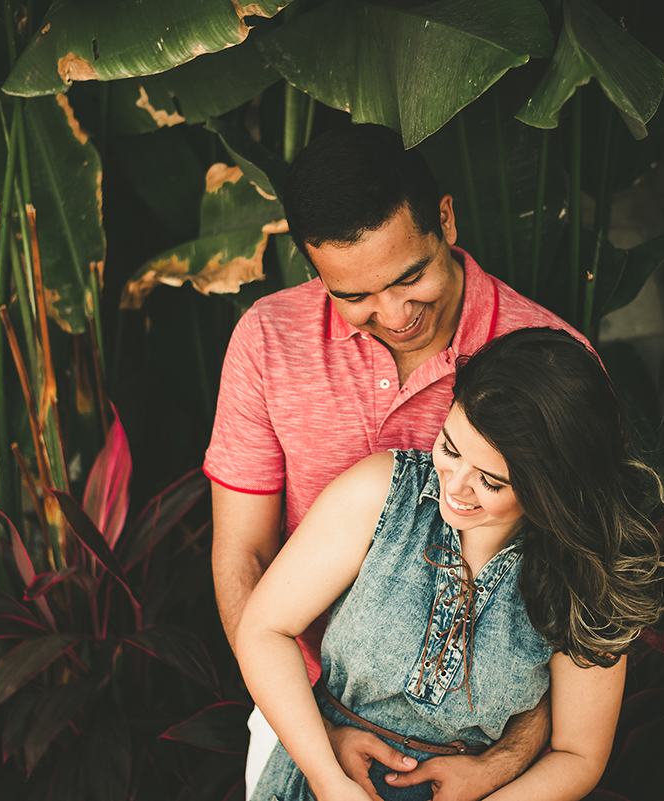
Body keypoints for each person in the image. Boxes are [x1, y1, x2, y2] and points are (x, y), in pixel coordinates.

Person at [205, 123, 587, 799]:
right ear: (312, 264)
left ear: (445, 219)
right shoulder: (267, 338)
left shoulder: (551, 367)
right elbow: (244, 554)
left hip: (482, 746)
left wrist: (499, 763)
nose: (394, 313)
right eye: (354, 296)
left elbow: (576, 595)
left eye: (410, 276)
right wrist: (319, 727)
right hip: (301, 708)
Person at [236, 329, 664, 801]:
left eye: (491, 481)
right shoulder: (382, 493)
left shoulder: (586, 574)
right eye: (450, 448)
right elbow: (264, 630)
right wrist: (328, 779)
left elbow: (579, 754)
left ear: (555, 489)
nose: (456, 487)